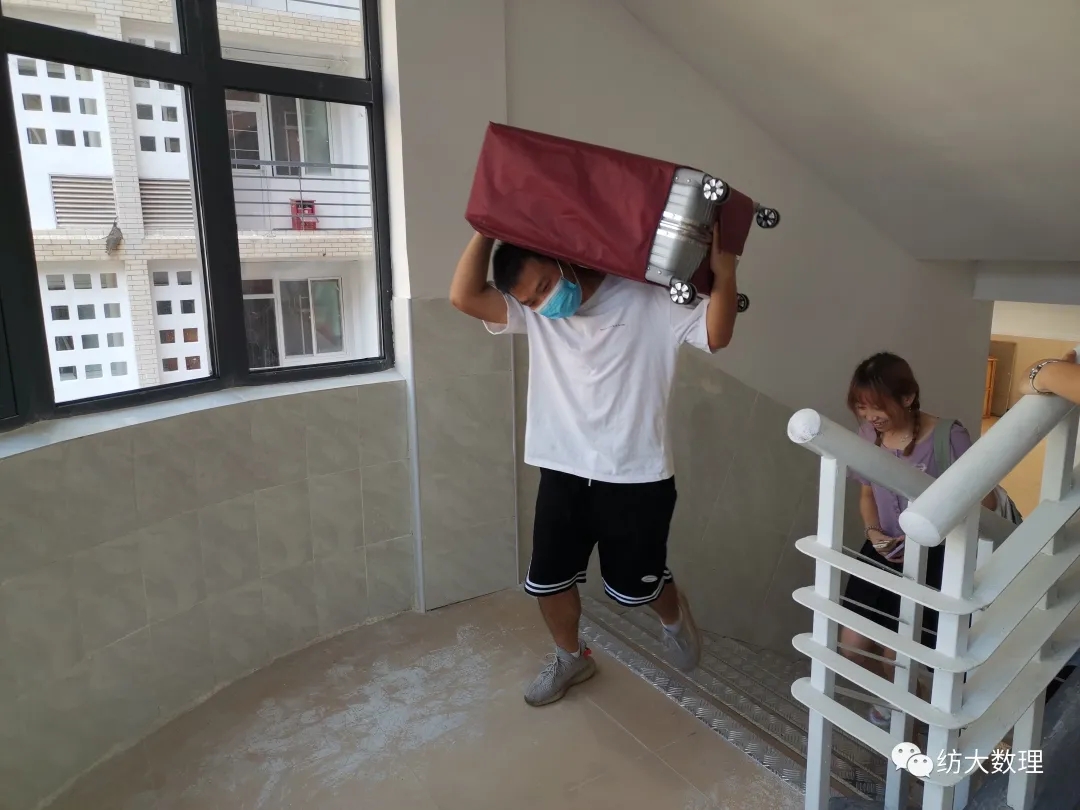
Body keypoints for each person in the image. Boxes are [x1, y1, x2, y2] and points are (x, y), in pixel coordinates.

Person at [449, 221, 741, 706]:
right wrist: (486, 228)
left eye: (546, 286)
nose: (545, 303)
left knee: (635, 587)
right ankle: (572, 658)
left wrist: (725, 272)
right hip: (561, 467)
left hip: (636, 475)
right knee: (547, 580)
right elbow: (464, 296)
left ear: (563, 257)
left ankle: (673, 617)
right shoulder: (536, 315)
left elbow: (717, 332)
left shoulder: (647, 297)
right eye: (532, 300)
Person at [840, 352, 997, 727]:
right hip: (882, 550)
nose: (869, 416)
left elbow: (986, 502)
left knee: (898, 652)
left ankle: (910, 720)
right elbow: (867, 494)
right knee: (851, 648)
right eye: (861, 407)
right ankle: (899, 702)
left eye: (876, 406)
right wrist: (873, 532)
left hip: (933, 557)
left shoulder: (948, 437)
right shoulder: (868, 437)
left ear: (908, 397)